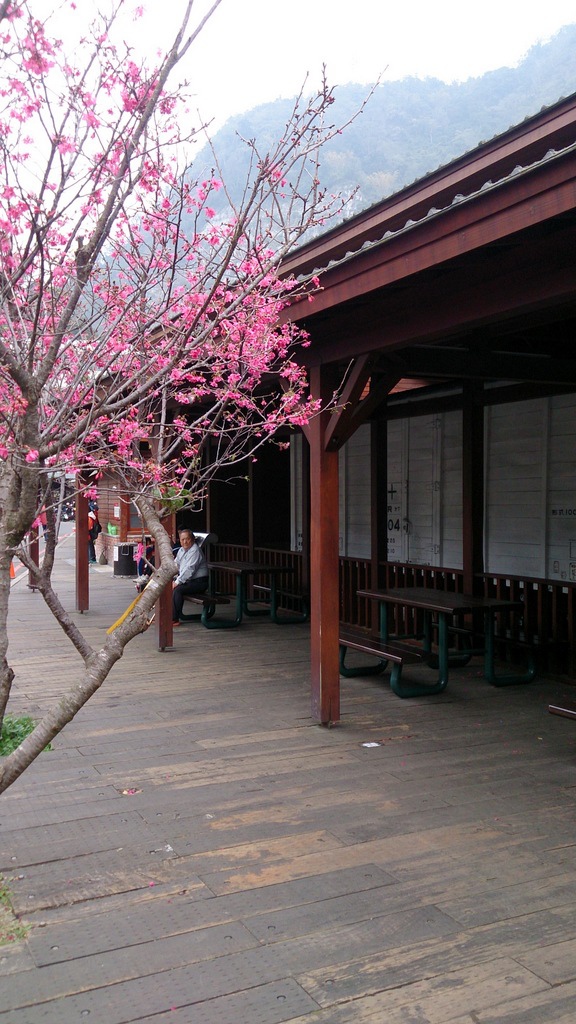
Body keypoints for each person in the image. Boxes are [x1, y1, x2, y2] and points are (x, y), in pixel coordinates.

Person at [172, 530, 209, 624]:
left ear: (192, 539)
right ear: (180, 540)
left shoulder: (195, 550)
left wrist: (177, 582)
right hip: (189, 581)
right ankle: (167, 615)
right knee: (168, 586)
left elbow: (189, 570)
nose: (185, 542)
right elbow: (176, 565)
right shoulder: (181, 550)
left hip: (199, 582)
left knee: (178, 590)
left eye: (187, 539)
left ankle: (174, 618)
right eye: (182, 539)